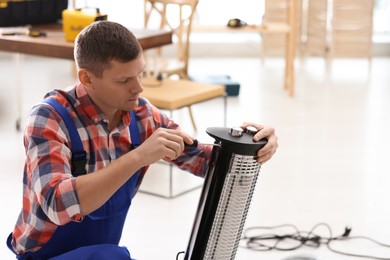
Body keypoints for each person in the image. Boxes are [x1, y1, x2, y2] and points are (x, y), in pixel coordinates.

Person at [6, 21, 278, 259]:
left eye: (140, 73)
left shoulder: (141, 114)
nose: (138, 87)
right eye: (124, 80)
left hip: (99, 254)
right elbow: (57, 204)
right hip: (45, 256)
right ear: (86, 78)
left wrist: (251, 147)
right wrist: (138, 157)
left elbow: (204, 161)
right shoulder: (49, 118)